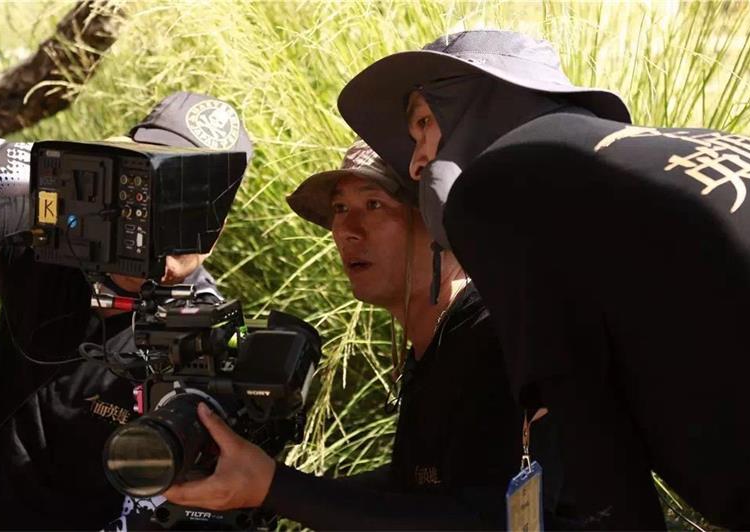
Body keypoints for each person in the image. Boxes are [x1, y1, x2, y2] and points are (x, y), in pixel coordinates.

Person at [336, 30, 750, 529]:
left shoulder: (499, 189)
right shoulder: (687, 146)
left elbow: (593, 441)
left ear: (471, 107)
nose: (417, 163)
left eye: (422, 125)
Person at [164, 140, 555, 529]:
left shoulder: (494, 340)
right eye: (340, 208)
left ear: (440, 224)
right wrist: (271, 494)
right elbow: (413, 484)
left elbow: (479, 520)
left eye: (374, 204)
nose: (347, 231)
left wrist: (272, 486)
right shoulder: (438, 342)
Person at [0, 91, 252, 531]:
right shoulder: (53, 250)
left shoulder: (205, 335)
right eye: (156, 188)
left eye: (196, 204)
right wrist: (55, 178)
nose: (168, 221)